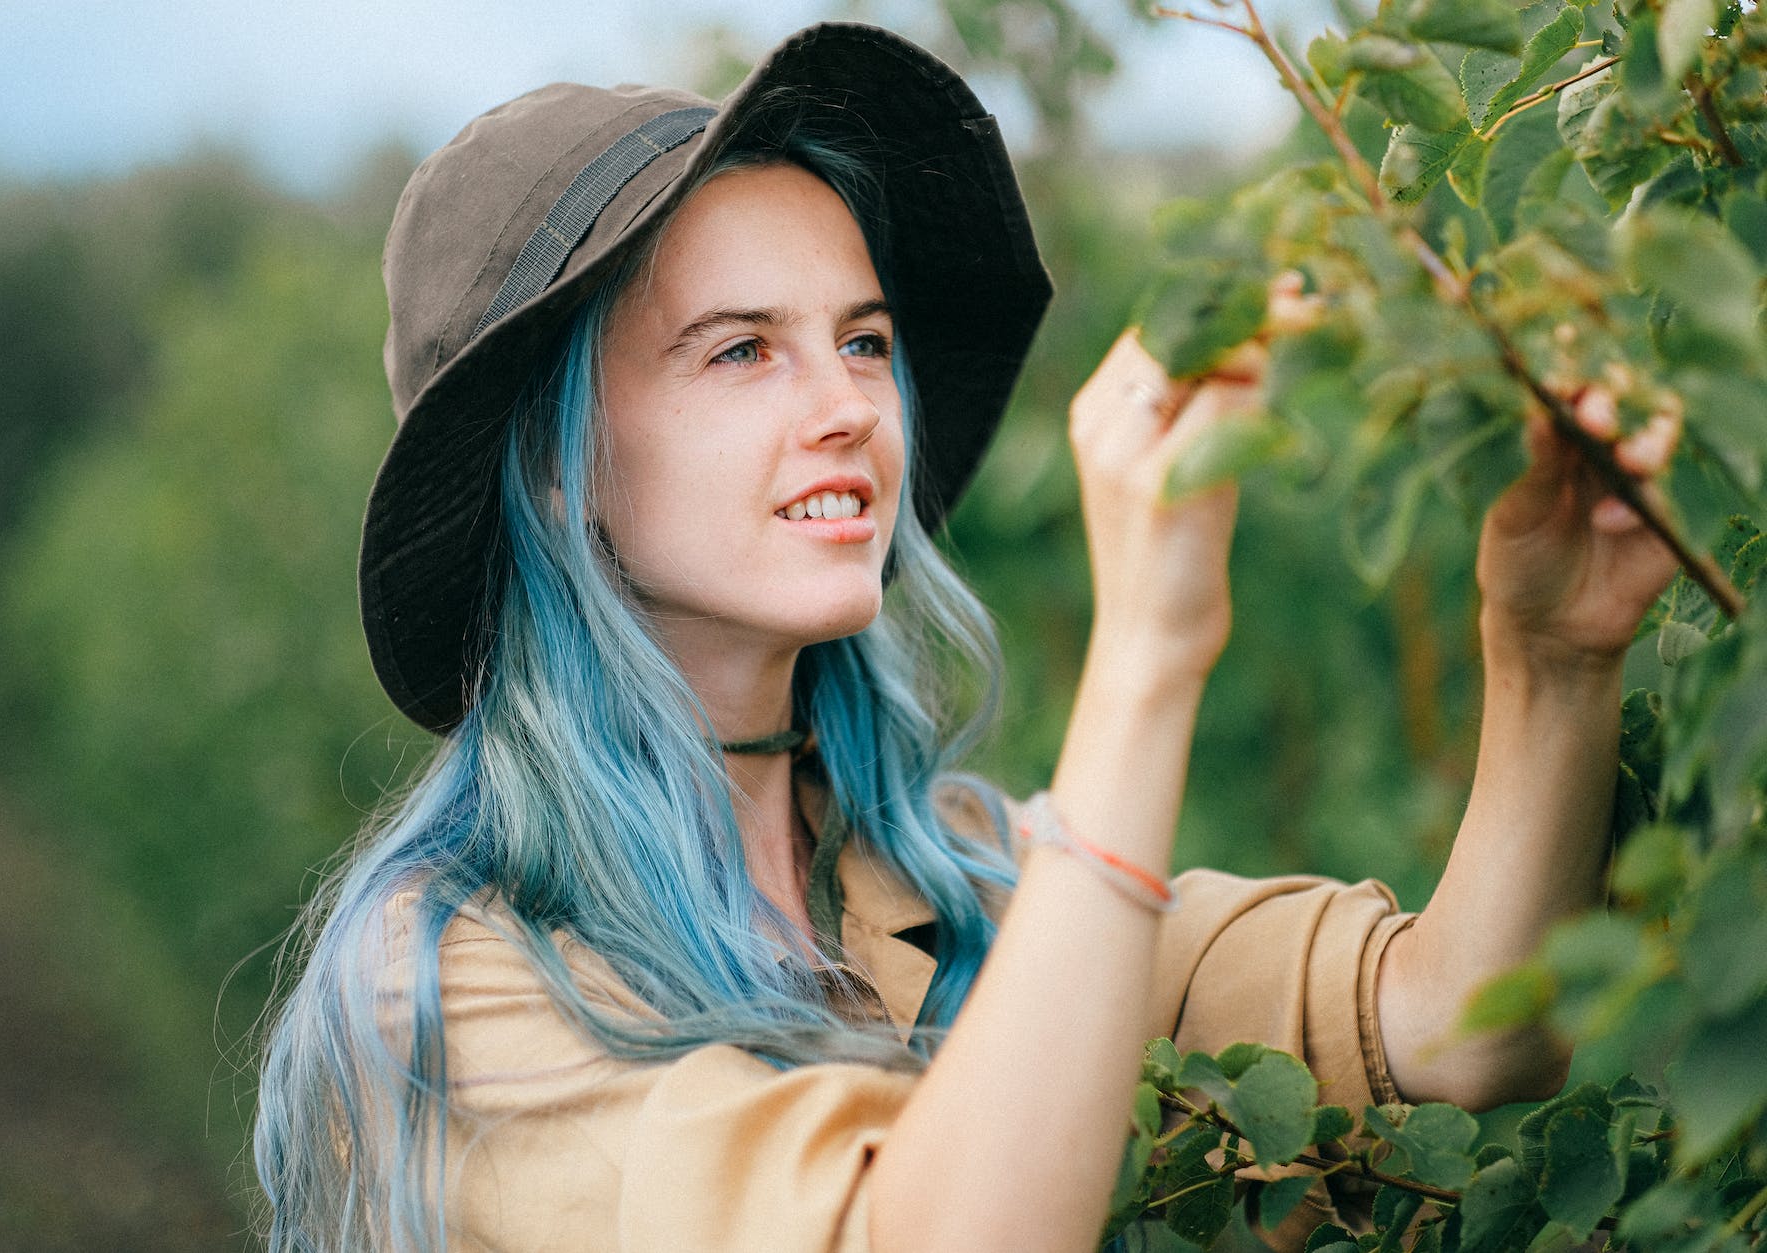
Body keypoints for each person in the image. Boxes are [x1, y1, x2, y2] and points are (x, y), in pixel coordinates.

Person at [253, 22, 1681, 1253]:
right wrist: (1147, 659)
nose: (849, 408)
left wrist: (1552, 654)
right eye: (742, 348)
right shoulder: (451, 979)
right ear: (555, 462)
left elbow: (1458, 1025)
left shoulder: (947, 876)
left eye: (864, 340)